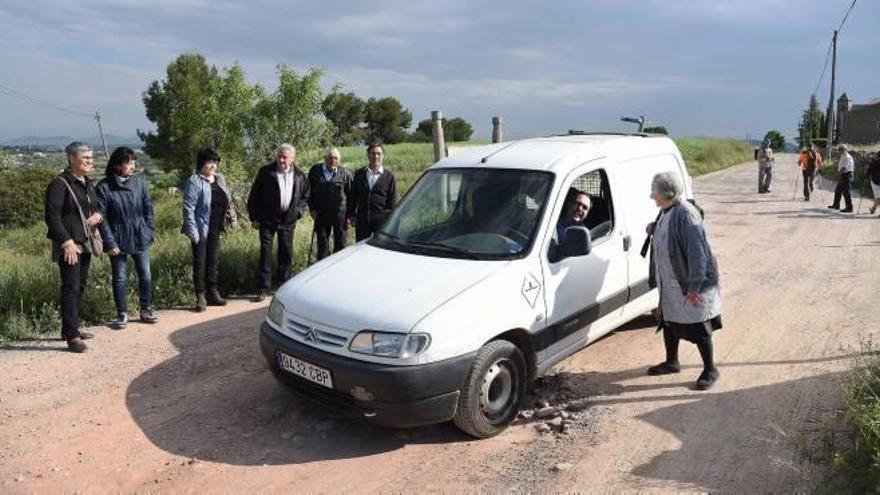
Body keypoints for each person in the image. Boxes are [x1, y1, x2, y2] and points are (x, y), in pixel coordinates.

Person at [645, 171, 722, 390]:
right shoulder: (667, 210)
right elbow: (668, 233)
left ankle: (710, 369)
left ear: (667, 193)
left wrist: (693, 287)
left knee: (698, 325)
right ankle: (672, 362)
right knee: (669, 320)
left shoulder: (686, 216)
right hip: (671, 282)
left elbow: (698, 255)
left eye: (655, 192)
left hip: (690, 284)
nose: (652, 196)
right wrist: (653, 228)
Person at [44, 141, 103, 353]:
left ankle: (70, 328)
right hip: (69, 243)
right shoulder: (59, 184)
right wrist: (66, 242)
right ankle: (72, 336)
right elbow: (52, 216)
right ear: (72, 158)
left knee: (79, 287)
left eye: (91, 157)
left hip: (84, 241)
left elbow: (94, 206)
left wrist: (98, 216)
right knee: (70, 287)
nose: (90, 161)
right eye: (85, 157)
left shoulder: (87, 182)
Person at [96, 147, 157, 328]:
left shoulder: (139, 182)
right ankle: (122, 313)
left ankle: (145, 309)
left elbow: (149, 209)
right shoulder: (104, 187)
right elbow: (102, 218)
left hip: (140, 235)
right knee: (120, 278)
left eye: (134, 162)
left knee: (145, 275)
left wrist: (148, 229)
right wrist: (109, 242)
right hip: (117, 237)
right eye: (129, 162)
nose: (133, 166)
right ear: (117, 165)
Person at [247, 144, 310, 300]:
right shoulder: (266, 172)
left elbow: (305, 196)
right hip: (267, 219)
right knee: (265, 253)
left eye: (285, 157)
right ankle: (263, 288)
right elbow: (254, 195)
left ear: (292, 158)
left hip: (288, 219)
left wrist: (298, 213)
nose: (281, 159)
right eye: (279, 156)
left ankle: (283, 287)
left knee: (286, 253)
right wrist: (253, 217)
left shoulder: (300, 175)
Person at [182, 148, 237, 312]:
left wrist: (233, 218)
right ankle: (200, 296)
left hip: (216, 227)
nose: (214, 165)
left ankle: (213, 293)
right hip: (200, 229)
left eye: (216, 162)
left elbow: (228, 200)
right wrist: (192, 232)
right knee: (200, 262)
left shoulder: (220, 179)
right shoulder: (194, 181)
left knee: (213, 260)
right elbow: (188, 209)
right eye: (210, 162)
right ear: (202, 163)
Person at [308, 147, 353, 260]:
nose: (333, 160)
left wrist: (349, 215)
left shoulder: (345, 173)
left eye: (335, 158)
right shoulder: (315, 171)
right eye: (330, 157)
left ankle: (338, 270)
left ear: (339, 160)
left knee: (340, 244)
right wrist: (312, 209)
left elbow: (351, 195)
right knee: (322, 244)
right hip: (321, 214)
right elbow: (308, 192)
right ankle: (322, 270)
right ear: (325, 158)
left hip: (340, 215)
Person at [347, 143, 397, 241]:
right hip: (362, 219)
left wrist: (389, 219)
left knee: (381, 248)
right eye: (373, 153)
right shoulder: (359, 174)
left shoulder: (389, 176)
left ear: (383, 156)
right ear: (368, 155)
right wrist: (351, 214)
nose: (375, 156)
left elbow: (392, 200)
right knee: (361, 248)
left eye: (378, 154)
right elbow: (353, 196)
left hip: (381, 221)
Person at [828, 144, 854, 213]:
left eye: (840, 150)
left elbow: (844, 168)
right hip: (843, 175)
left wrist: (838, 174)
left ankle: (849, 208)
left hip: (846, 175)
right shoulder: (843, 156)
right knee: (838, 191)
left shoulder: (847, 157)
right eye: (839, 150)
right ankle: (836, 205)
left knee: (846, 192)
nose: (839, 151)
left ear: (844, 150)